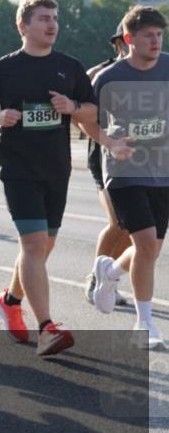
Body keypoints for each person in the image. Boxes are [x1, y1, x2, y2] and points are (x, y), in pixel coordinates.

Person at [0, 0, 97, 357]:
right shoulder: (3, 68)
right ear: (23, 26)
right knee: (35, 245)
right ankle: (47, 328)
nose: (51, 25)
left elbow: (91, 109)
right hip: (18, 167)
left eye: (55, 19)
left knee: (45, 245)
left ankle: (10, 300)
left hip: (57, 167)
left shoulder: (70, 68)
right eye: (43, 19)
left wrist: (72, 108)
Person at [84, 6, 168, 348]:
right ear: (129, 39)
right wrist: (111, 142)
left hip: (163, 171)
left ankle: (111, 273)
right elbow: (86, 120)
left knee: (150, 249)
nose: (155, 41)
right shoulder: (108, 77)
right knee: (146, 244)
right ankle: (144, 324)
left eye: (159, 35)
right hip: (124, 170)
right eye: (148, 35)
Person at [83, 24, 132, 307]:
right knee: (118, 220)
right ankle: (95, 279)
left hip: (142, 161)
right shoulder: (101, 74)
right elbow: (84, 113)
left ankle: (108, 279)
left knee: (132, 227)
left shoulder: (152, 73)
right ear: (119, 43)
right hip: (104, 157)